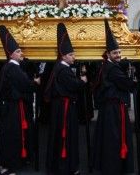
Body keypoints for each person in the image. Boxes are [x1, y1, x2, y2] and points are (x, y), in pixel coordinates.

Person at [92, 20, 135, 174]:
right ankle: (114, 167)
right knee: (113, 138)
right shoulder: (113, 69)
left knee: (109, 137)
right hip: (114, 109)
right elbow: (128, 85)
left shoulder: (108, 66)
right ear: (108, 54)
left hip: (109, 108)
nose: (118, 55)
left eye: (119, 52)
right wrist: (131, 77)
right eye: (115, 53)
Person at [0, 25, 40, 175]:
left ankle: (18, 160)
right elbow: (26, 84)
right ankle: (7, 165)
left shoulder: (13, 66)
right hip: (13, 109)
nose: (21, 53)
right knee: (11, 137)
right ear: (11, 54)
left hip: (15, 106)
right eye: (18, 51)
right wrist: (36, 83)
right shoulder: (12, 68)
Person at [45, 23, 87, 175]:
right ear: (63, 55)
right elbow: (74, 85)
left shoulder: (61, 67)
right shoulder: (63, 69)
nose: (74, 57)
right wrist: (82, 81)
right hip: (64, 108)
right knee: (65, 136)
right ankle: (64, 167)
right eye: (71, 55)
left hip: (62, 107)